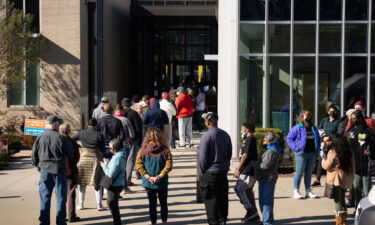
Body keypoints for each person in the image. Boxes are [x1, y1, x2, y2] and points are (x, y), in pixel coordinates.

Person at [31, 115, 74, 225]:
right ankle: (60, 222)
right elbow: (70, 154)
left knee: (45, 196)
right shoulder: (61, 138)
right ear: (55, 124)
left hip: (45, 170)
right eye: (58, 123)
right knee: (61, 197)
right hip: (59, 170)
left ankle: (44, 222)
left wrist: (38, 167)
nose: (59, 125)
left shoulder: (39, 137)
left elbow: (34, 156)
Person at [198, 112, 232, 225]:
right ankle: (223, 221)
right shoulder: (225, 134)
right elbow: (229, 154)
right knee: (222, 200)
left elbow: (202, 158)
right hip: (222, 172)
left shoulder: (206, 136)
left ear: (208, 122)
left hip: (210, 173)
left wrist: (203, 171)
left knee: (211, 202)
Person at [136, 128, 173, 225]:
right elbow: (168, 166)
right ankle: (164, 221)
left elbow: (138, 165)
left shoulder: (142, 150)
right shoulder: (165, 150)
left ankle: (153, 222)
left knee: (152, 204)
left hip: (148, 182)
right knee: (163, 203)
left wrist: (148, 177)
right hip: (162, 181)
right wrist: (159, 176)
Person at [73, 118, 106, 211]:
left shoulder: (82, 133)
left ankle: (81, 204)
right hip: (96, 159)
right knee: (98, 183)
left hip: (83, 158)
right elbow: (103, 149)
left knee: (82, 182)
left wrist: (78, 146)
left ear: (88, 124)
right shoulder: (100, 135)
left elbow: (71, 138)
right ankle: (99, 205)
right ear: (96, 125)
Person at [287, 111, 321, 199]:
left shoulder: (314, 127)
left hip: (312, 153)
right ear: (302, 117)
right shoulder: (297, 128)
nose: (308, 118)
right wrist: (296, 148)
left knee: (309, 173)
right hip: (301, 153)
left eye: (309, 116)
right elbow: (289, 139)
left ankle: (308, 191)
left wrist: (317, 148)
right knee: (299, 172)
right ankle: (296, 191)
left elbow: (318, 138)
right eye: (306, 116)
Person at [322, 134, 355, 225]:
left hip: (335, 179)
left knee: (337, 201)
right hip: (345, 177)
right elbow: (353, 166)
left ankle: (339, 223)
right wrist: (351, 178)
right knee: (343, 200)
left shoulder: (333, 152)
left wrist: (323, 160)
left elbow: (327, 166)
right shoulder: (349, 151)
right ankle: (343, 222)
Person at [252, 132, 283, 225]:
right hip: (268, 178)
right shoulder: (275, 149)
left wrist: (255, 164)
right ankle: (269, 220)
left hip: (267, 178)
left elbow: (265, 165)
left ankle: (268, 222)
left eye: (265, 139)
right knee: (268, 201)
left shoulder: (271, 151)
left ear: (269, 141)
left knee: (265, 202)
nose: (263, 141)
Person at [344, 110, 374, 208]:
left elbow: (373, 143)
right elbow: (345, 145)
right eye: (351, 119)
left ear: (359, 118)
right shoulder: (350, 130)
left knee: (366, 189)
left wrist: (371, 151)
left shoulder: (368, 130)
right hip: (354, 163)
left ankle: (368, 209)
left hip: (366, 164)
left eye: (354, 118)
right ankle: (358, 208)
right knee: (356, 187)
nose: (353, 120)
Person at [234, 122, 259, 223]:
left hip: (248, 170)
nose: (241, 130)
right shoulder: (248, 139)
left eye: (242, 128)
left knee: (239, 189)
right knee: (247, 191)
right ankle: (253, 214)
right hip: (247, 169)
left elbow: (245, 155)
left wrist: (238, 168)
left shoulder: (250, 139)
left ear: (247, 129)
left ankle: (251, 211)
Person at [312, 105, 340, 186]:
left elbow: (338, 133)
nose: (332, 113)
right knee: (322, 161)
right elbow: (319, 130)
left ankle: (330, 180)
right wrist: (324, 137)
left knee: (332, 162)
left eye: (334, 111)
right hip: (324, 144)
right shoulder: (324, 121)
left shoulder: (338, 122)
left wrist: (330, 139)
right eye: (330, 111)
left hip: (333, 144)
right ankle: (317, 180)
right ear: (328, 112)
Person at [100, 139, 127, 225]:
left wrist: (104, 166)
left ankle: (117, 222)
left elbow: (110, 174)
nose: (109, 149)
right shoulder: (121, 155)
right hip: (119, 183)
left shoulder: (116, 158)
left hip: (114, 184)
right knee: (113, 204)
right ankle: (117, 222)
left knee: (112, 205)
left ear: (115, 148)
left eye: (110, 147)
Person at [59, 123, 81, 223]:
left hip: (59, 170)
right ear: (69, 130)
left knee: (60, 194)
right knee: (71, 193)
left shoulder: (57, 140)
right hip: (71, 170)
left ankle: (61, 216)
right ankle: (71, 216)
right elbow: (77, 157)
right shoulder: (72, 141)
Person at [122, 97, 143, 183]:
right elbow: (138, 127)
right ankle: (127, 180)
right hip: (133, 139)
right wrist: (139, 139)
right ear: (130, 104)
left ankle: (123, 180)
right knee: (131, 159)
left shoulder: (120, 113)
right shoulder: (134, 113)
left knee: (123, 160)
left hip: (122, 139)